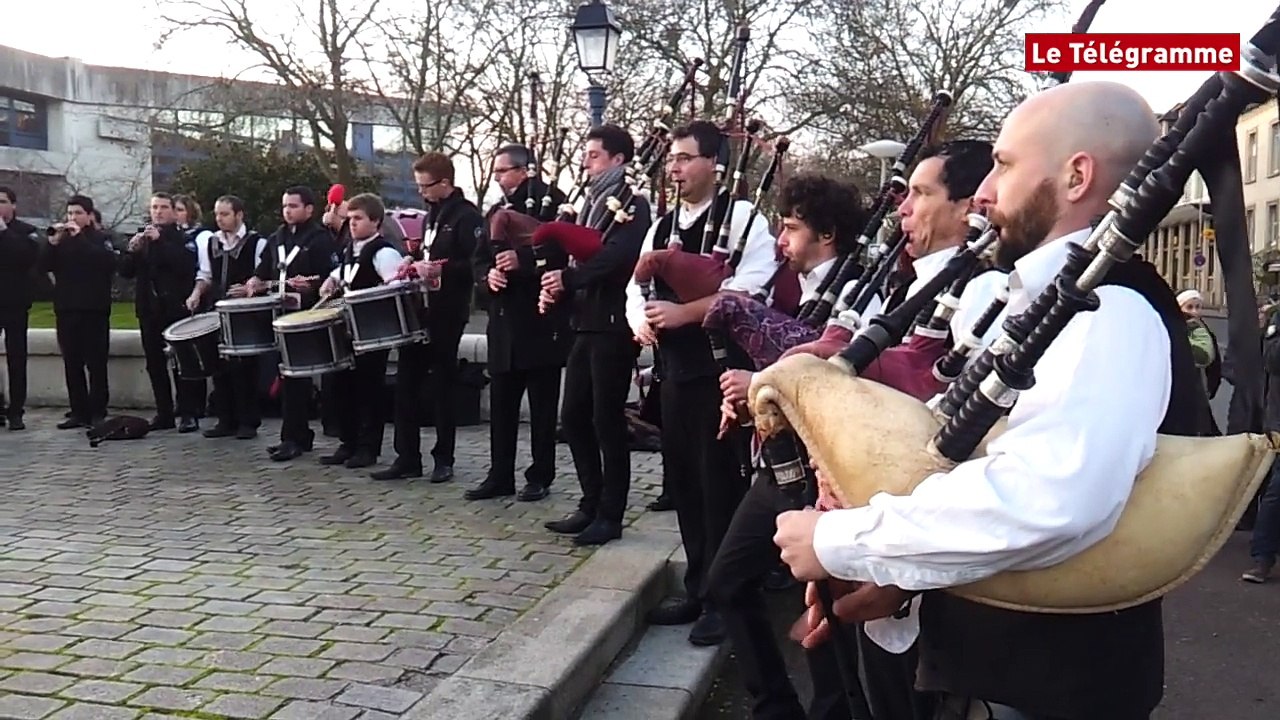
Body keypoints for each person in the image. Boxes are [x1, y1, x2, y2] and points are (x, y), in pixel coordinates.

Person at [774, 81, 1216, 720]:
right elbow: (977, 468)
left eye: (1004, 166)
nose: (982, 192)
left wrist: (845, 540)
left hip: (1045, 689)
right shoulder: (1044, 300)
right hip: (997, 672)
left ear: (1076, 176)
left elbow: (1050, 501)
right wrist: (900, 582)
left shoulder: (1111, 309)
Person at [627, 120, 779, 645]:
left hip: (721, 375)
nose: (675, 168)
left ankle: (726, 596)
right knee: (686, 483)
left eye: (686, 158)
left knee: (721, 485)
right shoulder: (662, 222)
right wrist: (642, 321)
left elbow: (747, 290)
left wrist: (683, 312)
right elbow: (636, 283)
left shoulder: (742, 219)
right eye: (672, 159)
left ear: (714, 164)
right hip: (674, 373)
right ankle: (697, 586)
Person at [540, 123, 652, 546]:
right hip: (585, 321)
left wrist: (571, 278)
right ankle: (590, 501)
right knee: (572, 416)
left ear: (618, 160)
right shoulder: (589, 203)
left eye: (594, 155)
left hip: (612, 323)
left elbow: (618, 257)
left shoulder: (633, 203)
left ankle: (611, 513)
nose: (586, 161)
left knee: (607, 420)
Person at [463, 144, 570, 500]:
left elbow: (561, 249)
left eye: (503, 171)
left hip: (539, 320)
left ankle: (540, 474)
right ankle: (500, 474)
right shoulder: (495, 211)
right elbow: (477, 261)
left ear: (524, 170)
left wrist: (524, 260)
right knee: (502, 407)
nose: (498, 178)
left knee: (541, 407)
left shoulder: (553, 201)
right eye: (495, 172)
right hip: (503, 321)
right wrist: (487, 278)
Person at [371, 152, 480, 482]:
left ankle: (443, 458)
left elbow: (474, 263)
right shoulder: (432, 214)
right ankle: (407, 456)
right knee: (406, 382)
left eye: (425, 186)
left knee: (443, 384)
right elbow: (428, 251)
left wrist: (440, 269)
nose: (420, 192)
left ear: (445, 183)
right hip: (422, 308)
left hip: (448, 310)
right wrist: (414, 260)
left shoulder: (467, 217)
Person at [244, 186, 342, 462]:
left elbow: (331, 276)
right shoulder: (277, 237)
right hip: (281, 315)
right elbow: (265, 270)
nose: (287, 210)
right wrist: (255, 280)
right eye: (285, 206)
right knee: (288, 377)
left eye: (294, 206)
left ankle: (296, 437)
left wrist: (312, 285)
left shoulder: (321, 239)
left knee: (298, 377)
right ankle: (294, 436)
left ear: (309, 209)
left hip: (309, 316)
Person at [318, 193, 403, 468]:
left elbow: (396, 286)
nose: (352, 224)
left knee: (369, 391)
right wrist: (330, 282)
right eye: (349, 218)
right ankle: (348, 442)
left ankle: (368, 448)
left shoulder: (384, 252)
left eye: (358, 219)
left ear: (376, 221)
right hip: (349, 331)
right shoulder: (350, 249)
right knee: (343, 388)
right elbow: (343, 275)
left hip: (372, 332)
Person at [118, 192, 205, 433]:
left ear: (173, 211)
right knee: (154, 363)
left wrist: (158, 242)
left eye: (164, 207)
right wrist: (132, 251)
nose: (158, 212)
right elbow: (125, 272)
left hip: (174, 308)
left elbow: (183, 265)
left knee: (183, 362)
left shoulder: (182, 238)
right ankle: (164, 412)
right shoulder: (143, 237)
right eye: (154, 207)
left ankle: (188, 412)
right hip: (149, 308)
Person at [188, 195, 269, 439]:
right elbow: (205, 274)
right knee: (219, 365)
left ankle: (248, 421)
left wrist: (249, 288)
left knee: (245, 367)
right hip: (217, 308)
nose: (220, 219)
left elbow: (264, 276)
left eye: (225, 214)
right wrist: (196, 294)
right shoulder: (211, 242)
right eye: (217, 214)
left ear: (239, 215)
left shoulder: (257, 242)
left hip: (245, 312)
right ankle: (226, 419)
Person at [38, 195, 117, 429]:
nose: (73, 218)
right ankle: (78, 410)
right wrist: (51, 244)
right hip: (66, 308)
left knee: (96, 362)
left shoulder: (100, 239)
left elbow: (105, 262)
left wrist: (80, 236)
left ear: (89, 216)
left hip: (94, 309)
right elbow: (41, 267)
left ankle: (97, 410)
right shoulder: (61, 242)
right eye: (70, 214)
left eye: (78, 214)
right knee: (71, 362)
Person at [0, 185, 39, 430]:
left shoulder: (26, 231)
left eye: (3, 201)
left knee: (16, 357)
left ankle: (16, 411)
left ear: (13, 205)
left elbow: (27, 257)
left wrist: (4, 232)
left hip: (14, 302)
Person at [1176, 288, 1221, 400]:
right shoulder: (1175, 329)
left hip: (1198, 392)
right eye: (1189, 307)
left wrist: (1210, 389)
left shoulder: (1204, 331)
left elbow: (1214, 365)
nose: (1194, 311)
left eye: (1198, 307)